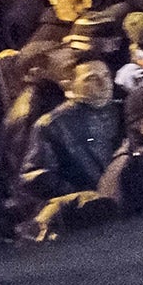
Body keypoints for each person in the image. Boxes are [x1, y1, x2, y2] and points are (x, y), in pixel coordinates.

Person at [19, 56, 122, 201]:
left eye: (106, 75)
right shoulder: (53, 125)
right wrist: (80, 197)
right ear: (70, 84)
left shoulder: (124, 110)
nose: (104, 83)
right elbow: (34, 176)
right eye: (91, 78)